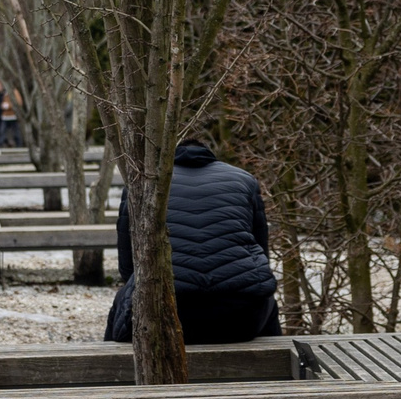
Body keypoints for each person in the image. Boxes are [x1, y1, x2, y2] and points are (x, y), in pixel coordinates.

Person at [103, 138, 282, 344]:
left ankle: (107, 370)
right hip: (239, 317)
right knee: (266, 299)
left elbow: (128, 265)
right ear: (210, 153)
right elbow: (260, 253)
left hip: (162, 313)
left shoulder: (143, 182)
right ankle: (280, 367)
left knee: (121, 304)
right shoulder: (245, 180)